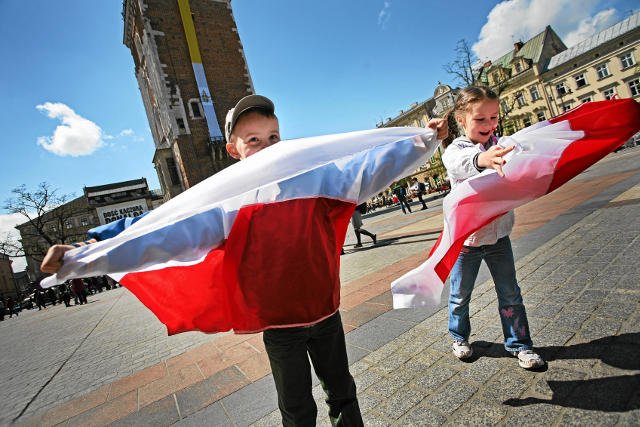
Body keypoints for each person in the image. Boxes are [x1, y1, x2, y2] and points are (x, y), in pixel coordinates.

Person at [41, 94, 448, 425]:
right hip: (280, 324)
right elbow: (164, 229)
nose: (268, 147)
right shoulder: (227, 202)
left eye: (273, 137)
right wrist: (89, 252)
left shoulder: (317, 177)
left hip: (326, 312)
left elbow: (370, 168)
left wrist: (422, 140)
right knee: (296, 408)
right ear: (233, 150)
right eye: (253, 141)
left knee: (342, 393)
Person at [442, 86, 544, 370]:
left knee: (510, 292)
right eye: (480, 119)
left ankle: (520, 345)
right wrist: (483, 159)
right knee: (460, 294)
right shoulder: (456, 150)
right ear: (462, 120)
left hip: (499, 237)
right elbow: (461, 164)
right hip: (467, 241)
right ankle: (459, 337)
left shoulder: (502, 142)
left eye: (494, 117)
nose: (489, 125)